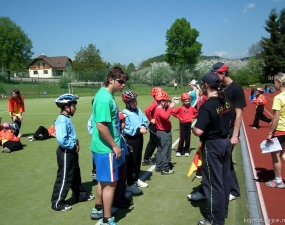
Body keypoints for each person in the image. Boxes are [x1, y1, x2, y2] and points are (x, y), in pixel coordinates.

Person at [189, 62, 247, 202]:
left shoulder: (236, 89)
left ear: (223, 73)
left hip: (227, 132)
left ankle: (231, 190)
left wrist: (234, 135)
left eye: (216, 74)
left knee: (222, 164)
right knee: (214, 164)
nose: (214, 77)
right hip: (215, 132)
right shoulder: (219, 87)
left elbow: (239, 115)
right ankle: (209, 190)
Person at [89, 66, 128, 225]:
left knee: (103, 181)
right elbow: (101, 126)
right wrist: (115, 146)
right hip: (106, 149)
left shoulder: (106, 94)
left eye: (124, 82)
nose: (123, 85)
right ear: (110, 79)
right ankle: (107, 218)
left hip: (103, 148)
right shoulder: (105, 98)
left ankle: (98, 208)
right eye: (120, 81)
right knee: (110, 185)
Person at [193, 72, 232, 225]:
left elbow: (199, 131)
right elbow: (229, 122)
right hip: (225, 142)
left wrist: (193, 130)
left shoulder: (207, 106)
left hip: (213, 145)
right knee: (224, 180)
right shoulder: (225, 101)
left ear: (206, 86)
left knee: (212, 183)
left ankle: (214, 219)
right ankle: (223, 212)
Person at [51, 94, 94, 212]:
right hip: (66, 152)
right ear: (66, 107)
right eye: (73, 106)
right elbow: (61, 139)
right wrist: (72, 145)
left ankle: (81, 195)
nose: (75, 108)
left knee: (75, 174)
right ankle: (57, 202)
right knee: (65, 176)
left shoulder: (66, 119)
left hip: (71, 151)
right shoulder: (61, 120)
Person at [122, 90, 148, 194]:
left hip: (139, 138)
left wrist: (143, 125)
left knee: (137, 159)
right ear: (127, 103)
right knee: (131, 161)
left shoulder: (138, 110)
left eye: (135, 101)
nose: (135, 103)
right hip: (130, 139)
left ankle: (136, 178)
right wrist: (138, 129)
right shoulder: (125, 113)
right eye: (132, 102)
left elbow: (144, 120)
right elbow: (125, 128)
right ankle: (130, 183)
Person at [265, 73, 285, 189]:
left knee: (275, 154)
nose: (274, 84)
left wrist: (270, 132)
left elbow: (276, 117)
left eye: (275, 82)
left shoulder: (278, 98)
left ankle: (278, 181)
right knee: (283, 152)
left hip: (280, 129)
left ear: (280, 83)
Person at [112, 111, 133, 208]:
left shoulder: (120, 134)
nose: (125, 124)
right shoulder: (116, 136)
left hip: (124, 159)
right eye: (123, 122)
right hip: (118, 161)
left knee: (123, 179)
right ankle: (117, 200)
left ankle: (122, 196)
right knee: (119, 180)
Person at [153, 91, 176, 174]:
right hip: (164, 133)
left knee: (160, 150)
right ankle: (165, 168)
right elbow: (166, 116)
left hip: (159, 132)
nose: (167, 102)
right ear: (162, 101)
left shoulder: (158, 109)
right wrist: (171, 107)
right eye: (166, 101)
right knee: (165, 150)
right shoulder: (160, 110)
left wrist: (169, 105)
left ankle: (158, 166)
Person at [142, 87, 164, 166]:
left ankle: (146, 159)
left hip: (155, 126)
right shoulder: (155, 102)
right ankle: (163, 160)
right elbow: (147, 110)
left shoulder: (158, 102)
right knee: (159, 142)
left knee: (152, 143)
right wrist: (151, 119)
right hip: (154, 126)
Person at [171, 93, 197, 157]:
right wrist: (179, 117)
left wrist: (192, 117)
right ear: (182, 101)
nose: (187, 102)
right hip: (182, 124)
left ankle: (187, 150)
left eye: (188, 101)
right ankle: (179, 150)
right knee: (182, 138)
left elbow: (196, 113)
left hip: (189, 124)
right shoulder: (180, 108)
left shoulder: (191, 108)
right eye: (185, 101)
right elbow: (173, 112)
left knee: (188, 138)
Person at [87, 99, 97, 182]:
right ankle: (95, 174)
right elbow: (90, 128)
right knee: (95, 158)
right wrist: (96, 134)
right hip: (97, 141)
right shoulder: (93, 116)